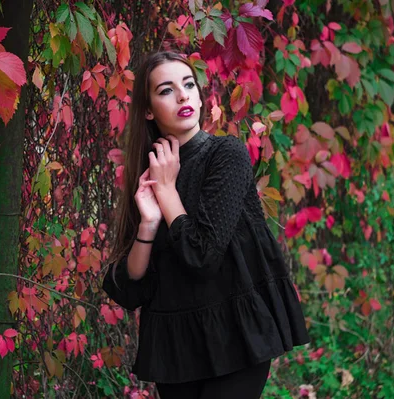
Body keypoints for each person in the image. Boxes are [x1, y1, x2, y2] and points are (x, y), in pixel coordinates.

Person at [102, 51, 310, 399]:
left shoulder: (227, 155)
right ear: (149, 110)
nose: (183, 95)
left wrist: (167, 191)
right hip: (178, 347)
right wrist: (149, 224)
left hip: (236, 335)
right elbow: (129, 289)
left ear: (200, 97)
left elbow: (202, 255)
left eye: (188, 85)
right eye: (166, 90)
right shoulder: (146, 177)